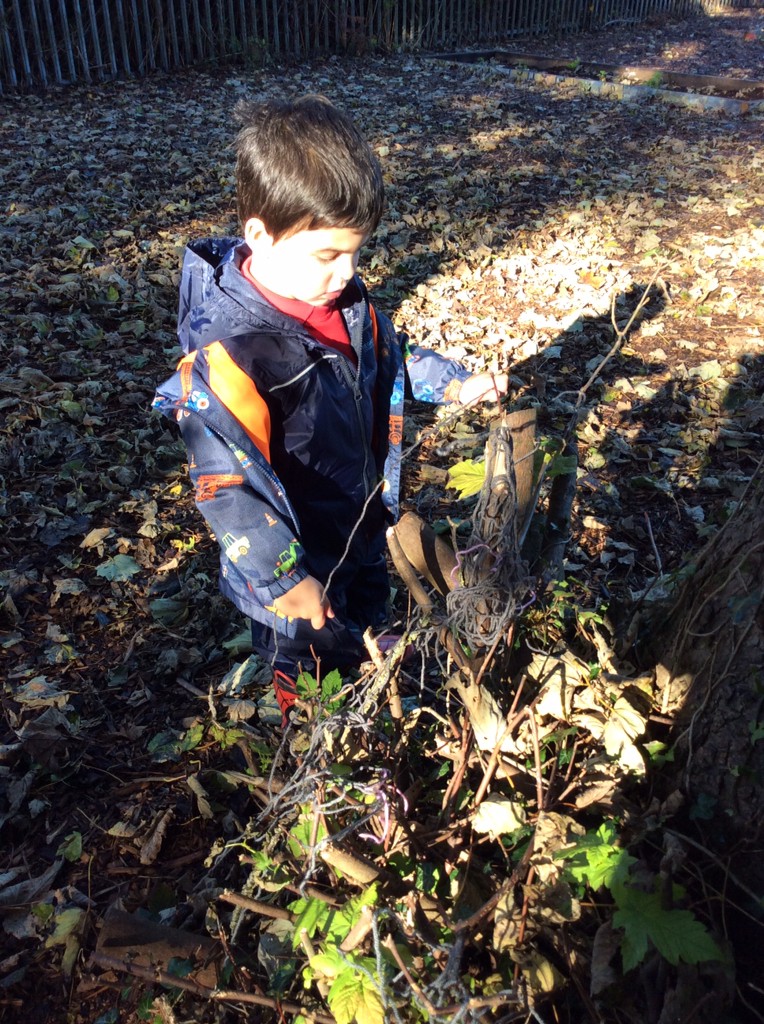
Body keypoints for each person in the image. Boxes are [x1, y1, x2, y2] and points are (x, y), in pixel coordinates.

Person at [153, 95, 507, 723]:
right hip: (296, 562)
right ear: (260, 234)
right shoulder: (234, 354)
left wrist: (452, 383)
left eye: (356, 252)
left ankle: (379, 706)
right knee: (313, 670)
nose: (348, 272)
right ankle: (321, 754)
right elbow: (223, 486)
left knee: (370, 628)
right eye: (328, 254)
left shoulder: (344, 305)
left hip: (361, 522)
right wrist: (282, 578)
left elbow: (386, 356)